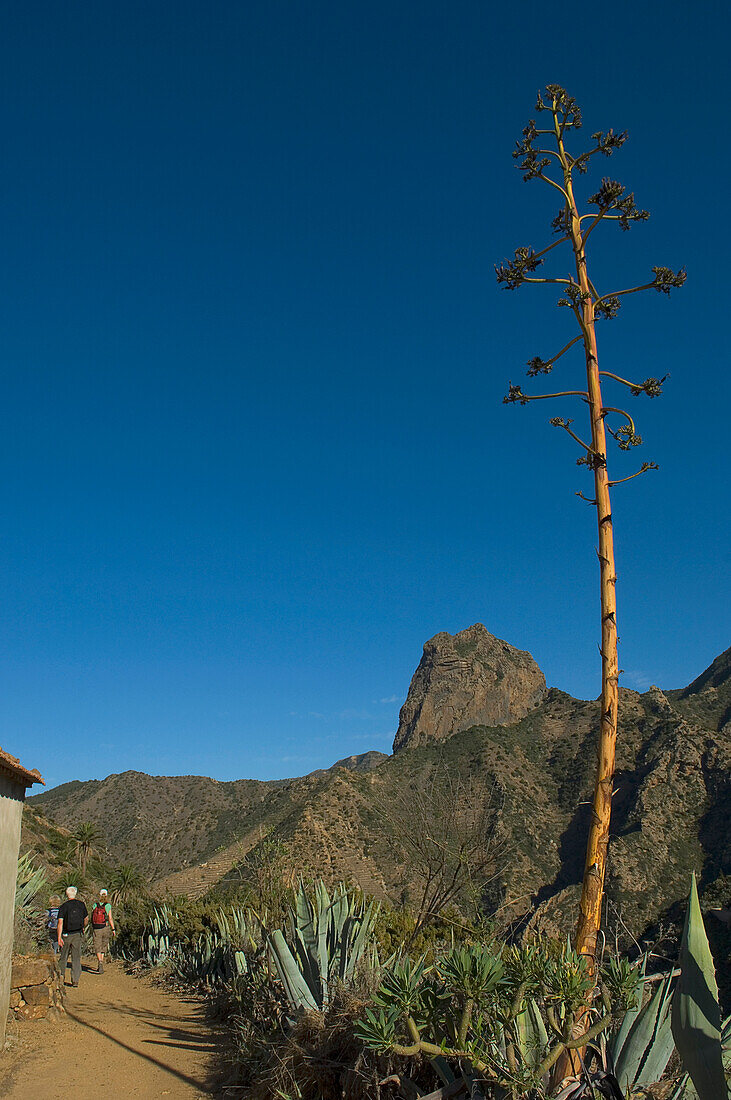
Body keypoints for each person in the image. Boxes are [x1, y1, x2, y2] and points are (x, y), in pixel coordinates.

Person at [56, 886, 88, 987]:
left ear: (66, 894)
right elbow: (86, 919)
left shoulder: (64, 906)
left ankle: (61, 977)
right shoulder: (81, 905)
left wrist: (59, 937)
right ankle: (75, 980)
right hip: (77, 934)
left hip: (66, 934)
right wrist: (82, 926)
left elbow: (60, 923)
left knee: (63, 957)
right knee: (76, 957)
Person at [90, 888, 115, 973]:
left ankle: (100, 961)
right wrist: (113, 928)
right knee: (104, 944)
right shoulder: (108, 906)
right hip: (105, 927)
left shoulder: (95, 905)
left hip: (97, 928)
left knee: (97, 944)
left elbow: (92, 915)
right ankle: (101, 961)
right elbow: (110, 918)